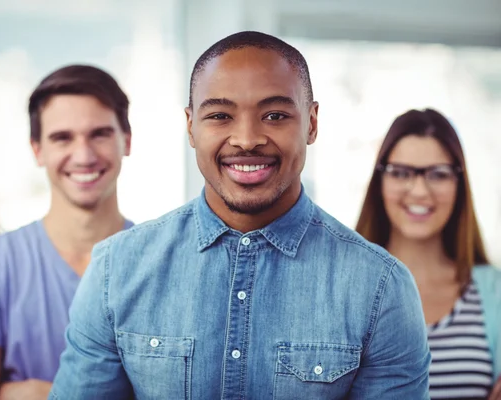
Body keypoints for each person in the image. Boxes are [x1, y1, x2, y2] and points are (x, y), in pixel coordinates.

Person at [49, 31, 430, 399]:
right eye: (219, 116)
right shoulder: (116, 270)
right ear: (191, 126)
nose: (247, 139)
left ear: (311, 123)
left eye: (275, 115)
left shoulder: (381, 287)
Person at [0, 65, 135, 400]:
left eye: (99, 134)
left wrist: (34, 394)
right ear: (37, 150)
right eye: (62, 138)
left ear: (126, 141)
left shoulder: (163, 263)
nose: (84, 155)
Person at [356, 108, 501, 400]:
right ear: (380, 180)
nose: (420, 191)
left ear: (459, 183)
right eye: (401, 172)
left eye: (438, 174)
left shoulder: (494, 292)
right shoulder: (345, 287)